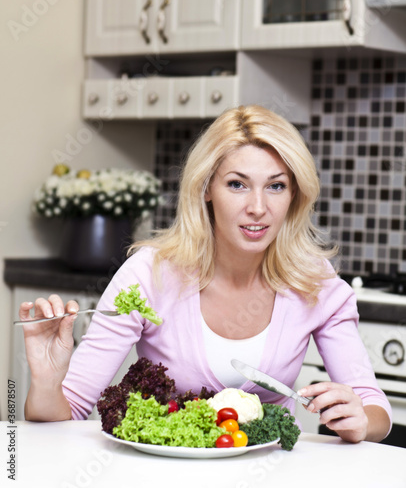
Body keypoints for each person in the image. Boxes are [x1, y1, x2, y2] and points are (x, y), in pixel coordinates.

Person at [20, 105, 391, 443]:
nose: (258, 208)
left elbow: (376, 410)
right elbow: (67, 416)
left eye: (276, 186)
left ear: (294, 195)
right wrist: (48, 383)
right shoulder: (150, 275)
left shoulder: (314, 282)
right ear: (206, 188)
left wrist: (360, 419)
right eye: (237, 184)